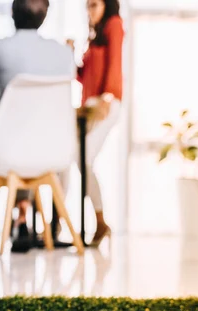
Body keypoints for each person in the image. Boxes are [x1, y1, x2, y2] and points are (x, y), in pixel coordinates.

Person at [0, 0, 75, 253]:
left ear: (12, 13)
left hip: (5, 150)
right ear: (45, 16)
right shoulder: (64, 53)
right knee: (28, 151)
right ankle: (22, 217)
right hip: (51, 151)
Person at [68, 0, 123, 246]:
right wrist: (70, 55)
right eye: (87, 6)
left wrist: (108, 97)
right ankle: (99, 222)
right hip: (89, 107)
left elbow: (115, 63)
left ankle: (100, 221)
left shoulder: (114, 25)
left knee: (83, 158)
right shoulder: (93, 38)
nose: (90, 10)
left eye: (94, 4)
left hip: (106, 104)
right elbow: (81, 76)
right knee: (79, 158)